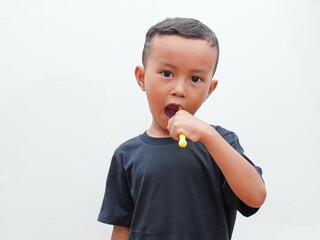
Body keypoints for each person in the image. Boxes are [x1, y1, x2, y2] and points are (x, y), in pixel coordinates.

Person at [98, 17, 266, 240]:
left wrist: (208, 135)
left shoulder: (220, 142)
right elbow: (121, 230)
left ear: (210, 89)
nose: (179, 89)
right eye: (167, 73)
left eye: (195, 78)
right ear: (141, 78)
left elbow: (255, 197)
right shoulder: (125, 155)